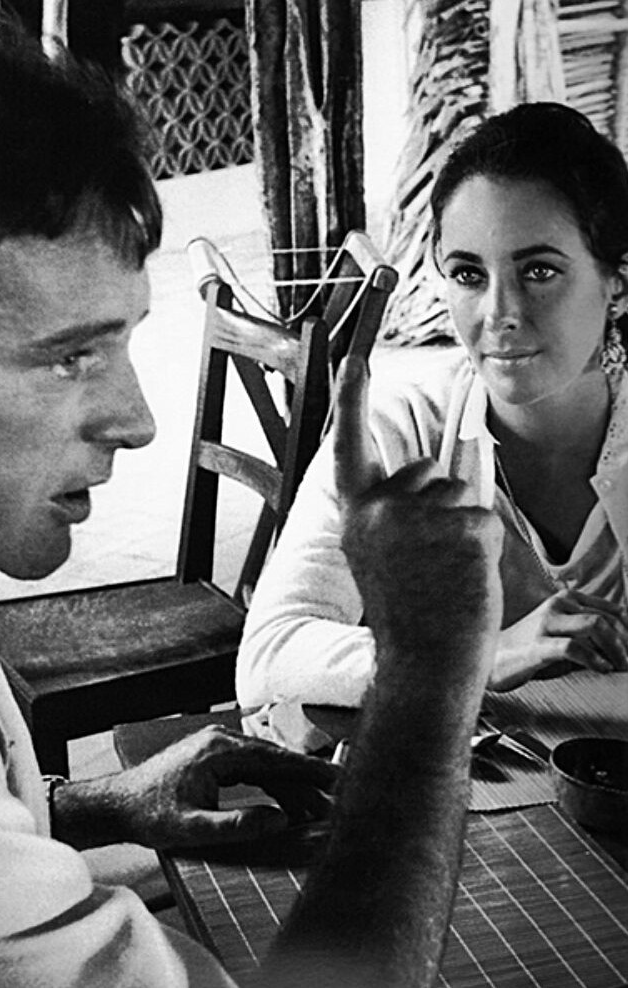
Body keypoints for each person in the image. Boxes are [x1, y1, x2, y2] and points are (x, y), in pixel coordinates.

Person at [0, 18, 502, 988]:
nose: (138, 419)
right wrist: (427, 682)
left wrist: (91, 802)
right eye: (69, 357)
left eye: (121, 343)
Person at [236, 101, 628, 711]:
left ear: (617, 283)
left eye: (539, 271)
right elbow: (270, 653)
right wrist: (478, 655)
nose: (499, 314)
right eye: (469, 275)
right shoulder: (401, 430)